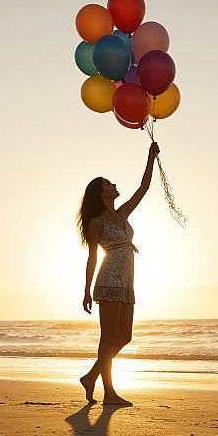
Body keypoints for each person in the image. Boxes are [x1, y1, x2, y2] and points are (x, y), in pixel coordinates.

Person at [75, 141, 160, 406]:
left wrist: (151, 157)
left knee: (125, 336)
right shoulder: (96, 222)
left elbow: (144, 188)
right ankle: (108, 392)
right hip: (109, 279)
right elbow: (92, 256)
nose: (114, 186)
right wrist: (87, 290)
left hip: (127, 281)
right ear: (101, 193)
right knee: (108, 337)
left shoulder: (122, 214)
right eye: (109, 184)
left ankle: (91, 376)